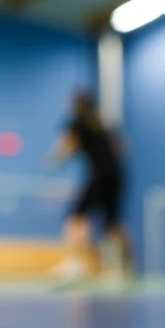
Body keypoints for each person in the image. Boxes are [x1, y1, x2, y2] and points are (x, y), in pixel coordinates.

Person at [48, 91, 131, 281]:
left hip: (100, 174)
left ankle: (75, 264)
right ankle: (123, 267)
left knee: (75, 218)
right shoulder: (102, 124)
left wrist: (54, 162)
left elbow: (66, 147)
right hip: (118, 175)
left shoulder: (76, 122)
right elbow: (122, 147)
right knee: (113, 223)